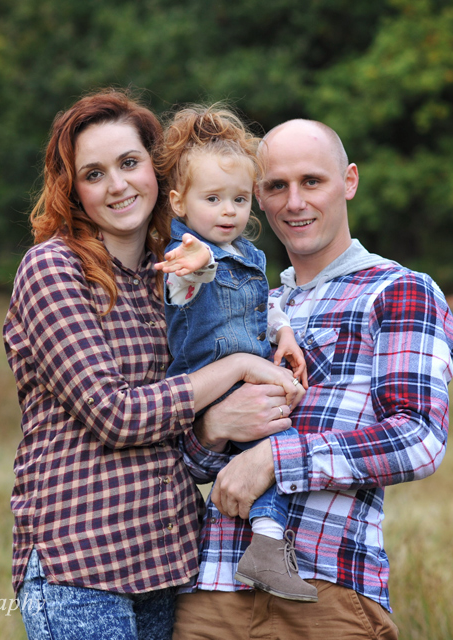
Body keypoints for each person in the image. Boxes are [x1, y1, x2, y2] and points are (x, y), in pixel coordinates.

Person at [3, 90, 304, 640]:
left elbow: (180, 440)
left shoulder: (172, 277)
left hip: (167, 564)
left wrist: (217, 426)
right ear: (74, 189)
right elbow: (114, 414)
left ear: (156, 174)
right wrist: (239, 364)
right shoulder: (53, 269)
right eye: (94, 173)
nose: (117, 185)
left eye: (129, 163)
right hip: (81, 568)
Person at [172, 119, 453, 640]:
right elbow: (185, 461)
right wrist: (213, 429)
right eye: (277, 186)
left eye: (312, 182)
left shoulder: (397, 291)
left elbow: (418, 440)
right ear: (258, 195)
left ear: (348, 181)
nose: (294, 202)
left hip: (325, 590)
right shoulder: (252, 304)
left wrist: (274, 459)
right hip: (210, 590)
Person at [152, 105, 316, 603]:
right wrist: (197, 262)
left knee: (272, 440)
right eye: (213, 199)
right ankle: (267, 548)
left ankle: (266, 548)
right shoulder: (184, 253)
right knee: (267, 437)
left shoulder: (250, 254)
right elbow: (183, 289)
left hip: (253, 373)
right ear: (179, 203)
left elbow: (260, 301)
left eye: (240, 199)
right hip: (207, 383)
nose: (229, 211)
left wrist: (283, 331)